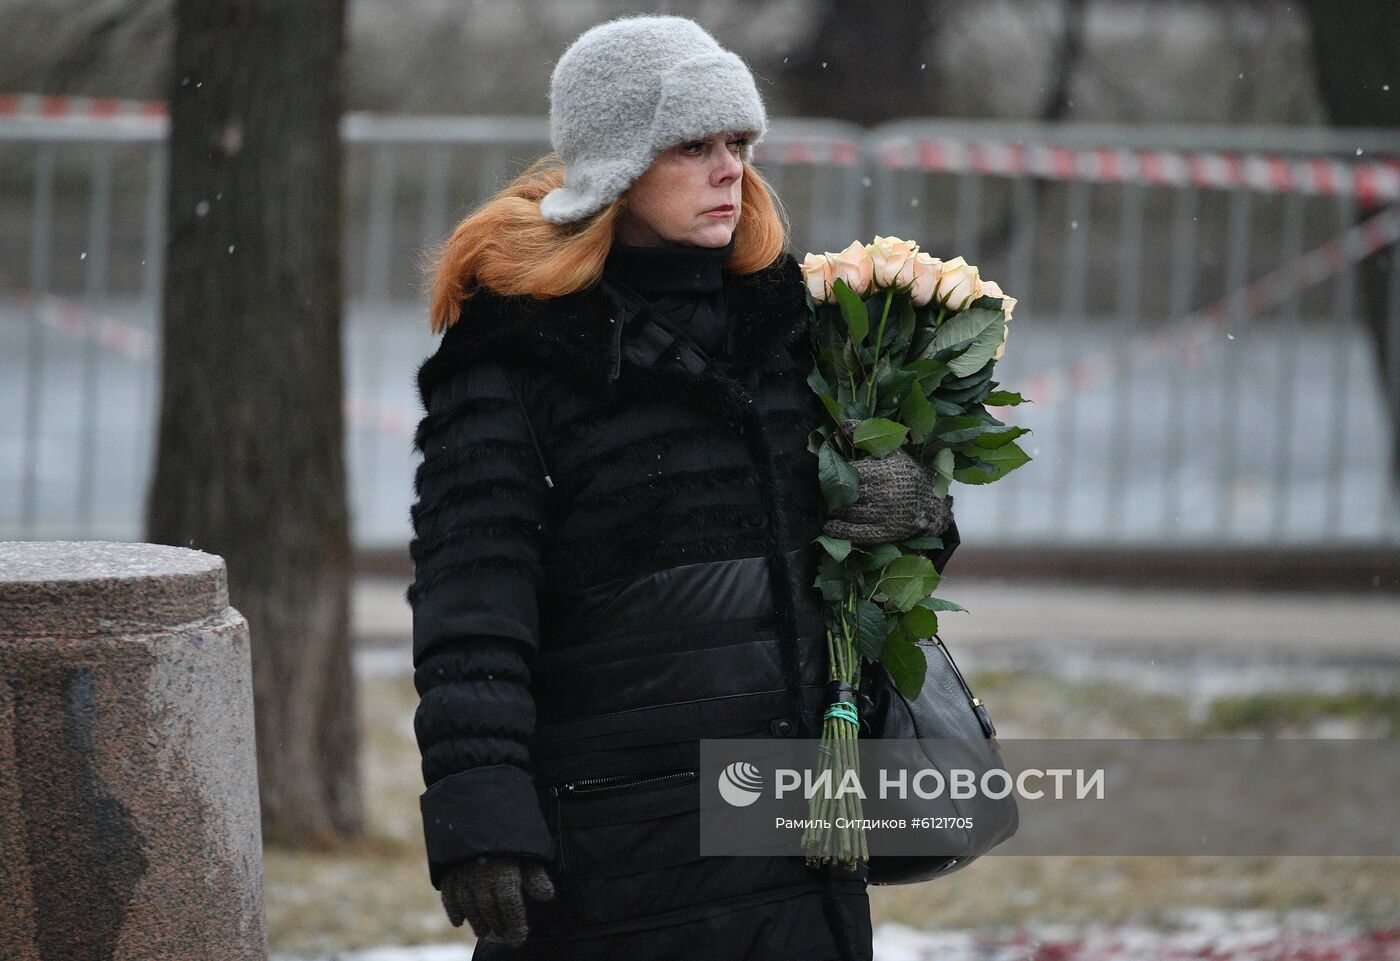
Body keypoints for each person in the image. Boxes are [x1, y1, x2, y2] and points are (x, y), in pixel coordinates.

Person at [407, 14, 958, 961]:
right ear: (617, 165)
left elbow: (863, 570)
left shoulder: (796, 329)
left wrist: (912, 507)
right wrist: (480, 807)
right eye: (693, 145)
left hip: (796, 851)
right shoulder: (515, 358)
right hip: (620, 861)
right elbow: (472, 603)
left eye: (738, 143)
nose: (729, 169)